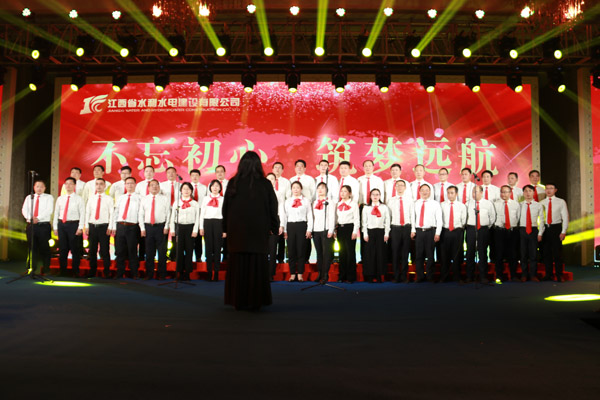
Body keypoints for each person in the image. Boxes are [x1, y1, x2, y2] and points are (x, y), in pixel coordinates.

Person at [223, 151, 279, 310]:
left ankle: (238, 301)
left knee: (238, 266)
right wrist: (274, 226)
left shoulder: (233, 182)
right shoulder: (265, 184)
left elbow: (225, 208)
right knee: (256, 266)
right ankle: (256, 301)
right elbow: (273, 207)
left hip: (237, 233)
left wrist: (225, 228)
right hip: (258, 232)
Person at [53, 177, 85, 277]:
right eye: (66, 183)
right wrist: (55, 227)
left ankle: (75, 271)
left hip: (73, 225)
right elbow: (56, 213)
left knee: (75, 249)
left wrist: (80, 227)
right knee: (62, 249)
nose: (68, 186)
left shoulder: (79, 199)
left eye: (70, 184)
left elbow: (82, 214)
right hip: (61, 225)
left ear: (74, 185)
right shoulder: (60, 198)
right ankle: (63, 271)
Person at [139, 179, 170, 280]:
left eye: (156, 185)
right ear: (148, 188)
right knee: (149, 252)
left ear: (159, 187)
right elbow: (141, 214)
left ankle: (162, 274)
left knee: (162, 252)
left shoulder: (165, 199)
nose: (154, 187)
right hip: (148, 227)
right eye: (152, 185)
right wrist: (142, 228)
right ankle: (149, 273)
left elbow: (168, 213)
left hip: (161, 227)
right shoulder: (144, 199)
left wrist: (166, 226)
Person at [410, 184, 442, 282]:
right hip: (419, 231)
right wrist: (413, 230)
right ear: (419, 192)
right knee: (419, 255)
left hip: (431, 231)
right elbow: (413, 218)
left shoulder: (435, 204)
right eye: (422, 190)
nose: (424, 192)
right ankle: (419, 276)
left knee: (430, 255)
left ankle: (430, 276)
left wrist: (438, 233)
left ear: (430, 192)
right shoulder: (415, 203)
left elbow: (439, 219)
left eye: (427, 190)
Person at [465, 185, 496, 283]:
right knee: (470, 253)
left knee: (482, 252)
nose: (474, 194)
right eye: (473, 191)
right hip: (471, 229)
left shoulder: (488, 203)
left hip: (483, 229)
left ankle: (483, 276)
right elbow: (465, 217)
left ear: (482, 192)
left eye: (476, 191)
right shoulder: (468, 203)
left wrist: (485, 226)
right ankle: (469, 276)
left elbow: (492, 217)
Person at [21, 179, 54, 275]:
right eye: (37, 186)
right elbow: (24, 209)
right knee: (32, 247)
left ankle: (46, 269)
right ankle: (30, 268)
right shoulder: (29, 197)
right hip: (31, 225)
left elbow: (49, 210)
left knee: (44, 248)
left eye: (41, 186)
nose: (39, 188)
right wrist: (30, 218)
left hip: (43, 225)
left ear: (45, 188)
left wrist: (38, 218)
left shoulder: (49, 197)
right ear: (34, 187)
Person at [111, 177, 141, 279]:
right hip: (120, 226)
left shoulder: (139, 198)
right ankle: (120, 272)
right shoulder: (121, 197)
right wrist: (114, 226)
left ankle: (134, 273)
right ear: (125, 185)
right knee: (120, 251)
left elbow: (141, 213)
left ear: (135, 185)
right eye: (127, 183)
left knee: (132, 251)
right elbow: (116, 212)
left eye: (131, 183)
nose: (129, 185)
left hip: (133, 226)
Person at [84, 178, 114, 278]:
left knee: (105, 250)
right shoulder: (91, 198)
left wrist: (110, 226)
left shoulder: (109, 199)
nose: (99, 186)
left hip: (104, 227)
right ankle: (92, 271)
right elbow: (87, 213)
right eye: (97, 184)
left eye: (101, 184)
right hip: (92, 226)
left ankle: (107, 271)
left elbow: (112, 214)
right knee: (92, 250)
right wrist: (86, 226)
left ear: (105, 186)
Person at [169, 182, 199, 281]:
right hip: (179, 227)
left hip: (190, 228)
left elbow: (197, 218)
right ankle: (179, 272)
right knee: (179, 251)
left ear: (191, 191)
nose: (186, 191)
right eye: (184, 189)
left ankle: (187, 273)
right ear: (181, 191)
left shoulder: (195, 203)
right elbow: (172, 217)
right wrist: (172, 229)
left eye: (188, 189)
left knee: (189, 251)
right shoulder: (177, 202)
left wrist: (195, 230)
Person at [284, 181, 313, 282]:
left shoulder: (306, 201)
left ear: (301, 189)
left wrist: (309, 229)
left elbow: (309, 215)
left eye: (297, 187)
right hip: (290, 226)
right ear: (291, 189)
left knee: (301, 250)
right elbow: (285, 216)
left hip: (302, 225)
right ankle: (292, 274)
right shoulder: (288, 201)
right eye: (294, 188)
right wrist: (285, 230)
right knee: (291, 251)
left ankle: (300, 274)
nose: (295, 189)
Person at [539, 183, 569, 282]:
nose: (548, 190)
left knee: (557, 253)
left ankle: (559, 275)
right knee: (546, 253)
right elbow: (541, 219)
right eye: (547, 188)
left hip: (556, 228)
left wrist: (563, 231)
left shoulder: (561, 202)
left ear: (555, 190)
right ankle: (549, 274)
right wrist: (540, 233)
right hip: (545, 229)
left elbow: (565, 217)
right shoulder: (541, 202)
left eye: (551, 188)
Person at [387, 180, 414, 283]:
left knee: (405, 253)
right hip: (395, 228)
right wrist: (388, 230)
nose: (400, 187)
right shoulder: (391, 200)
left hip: (407, 227)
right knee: (395, 253)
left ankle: (404, 276)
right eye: (398, 185)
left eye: (402, 185)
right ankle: (396, 276)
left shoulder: (410, 200)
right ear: (395, 187)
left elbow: (412, 215)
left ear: (405, 187)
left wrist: (413, 229)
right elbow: (388, 217)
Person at [361, 189, 390, 283]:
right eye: (373, 194)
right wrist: (365, 233)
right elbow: (364, 222)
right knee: (370, 255)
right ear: (370, 196)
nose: (375, 196)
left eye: (377, 194)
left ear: (380, 196)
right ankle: (370, 275)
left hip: (381, 232)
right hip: (370, 232)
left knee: (380, 254)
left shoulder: (384, 207)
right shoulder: (366, 208)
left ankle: (379, 275)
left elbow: (387, 221)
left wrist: (386, 233)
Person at [493, 185, 521, 282]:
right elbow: (493, 217)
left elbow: (518, 217)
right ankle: (499, 276)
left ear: (510, 193)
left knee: (513, 254)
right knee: (499, 254)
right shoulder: (495, 204)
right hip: (499, 231)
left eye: (506, 192)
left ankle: (513, 275)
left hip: (512, 231)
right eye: (502, 192)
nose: (504, 194)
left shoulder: (516, 204)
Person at [439, 185, 467, 283]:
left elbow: (463, 220)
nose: (450, 195)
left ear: (456, 194)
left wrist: (458, 229)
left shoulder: (461, 206)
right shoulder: (441, 205)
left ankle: (457, 277)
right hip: (445, 231)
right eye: (448, 193)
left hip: (457, 232)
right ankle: (444, 276)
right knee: (444, 255)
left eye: (452, 193)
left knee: (457, 255)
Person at [200, 180, 225, 281]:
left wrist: (225, 230)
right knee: (208, 248)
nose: (215, 188)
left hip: (219, 223)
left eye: (217, 186)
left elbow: (225, 215)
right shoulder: (206, 199)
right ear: (210, 187)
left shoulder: (223, 199)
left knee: (217, 248)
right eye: (213, 186)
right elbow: (202, 213)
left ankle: (217, 273)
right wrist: (201, 227)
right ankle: (209, 272)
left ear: (220, 188)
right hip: (207, 223)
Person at [519, 185, 545, 282]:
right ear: (523, 193)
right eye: (526, 191)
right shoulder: (519, 205)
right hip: (522, 230)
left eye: (530, 191)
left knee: (533, 254)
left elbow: (542, 220)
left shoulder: (538, 205)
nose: (528, 193)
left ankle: (533, 275)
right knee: (523, 254)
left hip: (533, 230)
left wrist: (540, 233)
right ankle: (524, 275)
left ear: (533, 192)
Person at [312, 182, 336, 283]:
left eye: (323, 188)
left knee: (326, 253)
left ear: (326, 190)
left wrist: (331, 230)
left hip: (326, 230)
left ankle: (325, 274)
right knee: (319, 253)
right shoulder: (314, 202)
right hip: (316, 230)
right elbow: (313, 217)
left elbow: (332, 217)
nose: (320, 190)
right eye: (319, 188)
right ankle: (320, 274)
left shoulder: (329, 202)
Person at [335, 185, 360, 283]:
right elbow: (336, 218)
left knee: (350, 253)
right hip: (340, 229)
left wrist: (355, 231)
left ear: (350, 193)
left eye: (345, 191)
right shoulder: (338, 204)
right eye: (341, 191)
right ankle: (342, 276)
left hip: (350, 229)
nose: (342, 193)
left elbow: (357, 219)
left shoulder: (353, 204)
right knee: (342, 253)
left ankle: (351, 277)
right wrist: (335, 230)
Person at [266, 173, 286, 280]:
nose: (270, 181)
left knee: (273, 249)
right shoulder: (261, 193)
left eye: (272, 179)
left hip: (275, 221)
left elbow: (281, 210)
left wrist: (281, 225)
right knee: (263, 250)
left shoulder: (279, 194)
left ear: (275, 181)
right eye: (268, 179)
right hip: (263, 223)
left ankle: (270, 274)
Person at [272, 161, 291, 263]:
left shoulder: (286, 182)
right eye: (275, 167)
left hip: (282, 212)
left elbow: (288, 197)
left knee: (281, 236)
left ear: (282, 170)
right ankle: (270, 257)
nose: (277, 169)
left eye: (279, 167)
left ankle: (280, 258)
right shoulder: (267, 181)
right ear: (272, 169)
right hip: (270, 213)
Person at [190, 169, 207, 262]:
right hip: (190, 212)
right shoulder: (187, 187)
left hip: (200, 212)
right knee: (189, 235)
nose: (195, 177)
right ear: (190, 176)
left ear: (200, 176)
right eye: (193, 175)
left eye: (196, 175)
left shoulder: (204, 188)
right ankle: (188, 256)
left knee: (199, 237)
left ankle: (198, 256)